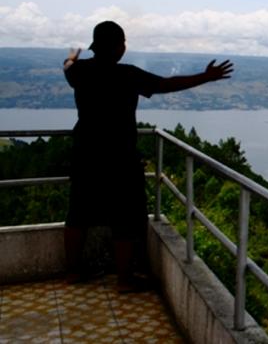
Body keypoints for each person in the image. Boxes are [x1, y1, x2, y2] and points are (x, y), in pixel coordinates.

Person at [63, 20, 233, 292]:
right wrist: (205, 76)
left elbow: (67, 66)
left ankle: (72, 273)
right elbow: (167, 84)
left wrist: (73, 55)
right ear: (119, 47)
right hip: (120, 157)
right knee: (125, 218)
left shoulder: (80, 71)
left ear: (96, 47)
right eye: (123, 42)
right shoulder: (127, 75)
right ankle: (124, 280)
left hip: (85, 152)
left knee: (77, 214)